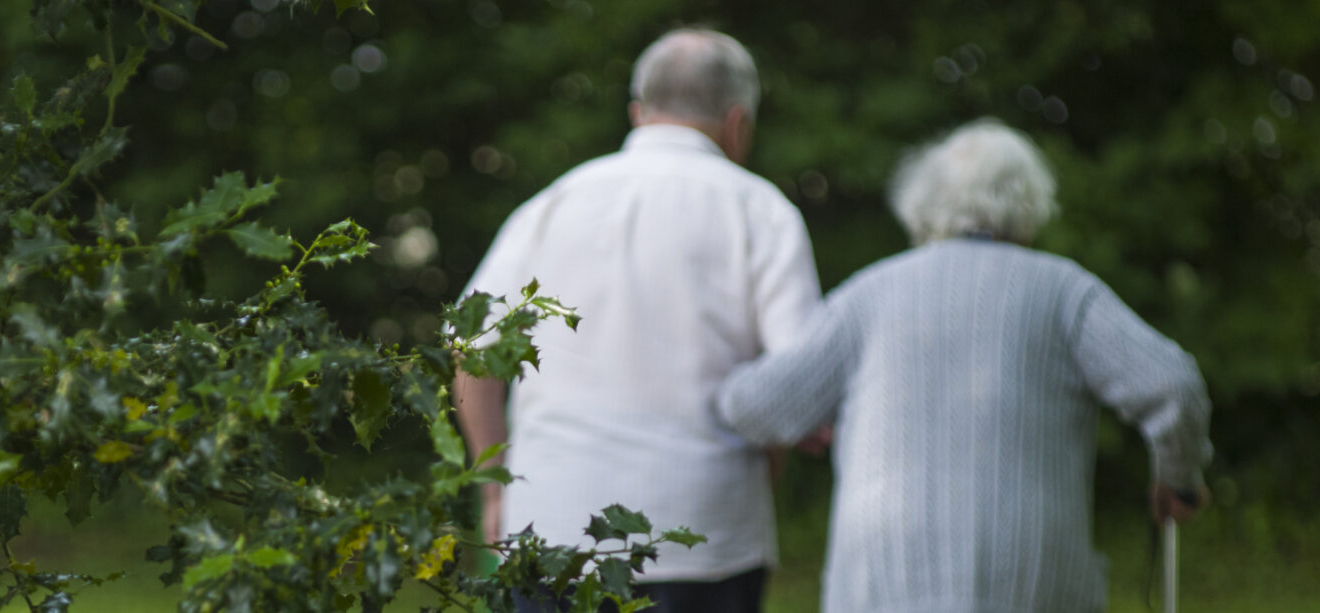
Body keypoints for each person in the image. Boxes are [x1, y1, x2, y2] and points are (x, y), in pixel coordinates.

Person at [713, 119, 1214, 612]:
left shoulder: (871, 293)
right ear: (1029, 203)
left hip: (887, 583)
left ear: (924, 202)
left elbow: (757, 405)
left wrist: (712, 369)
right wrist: (1178, 478)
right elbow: (1171, 383)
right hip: (1033, 583)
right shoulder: (1063, 291)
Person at [454, 27, 822, 612]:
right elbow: (796, 384)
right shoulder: (760, 210)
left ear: (636, 112)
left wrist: (495, 486)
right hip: (704, 536)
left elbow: (472, 347)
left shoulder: (551, 204)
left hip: (549, 528)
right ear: (737, 123)